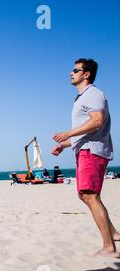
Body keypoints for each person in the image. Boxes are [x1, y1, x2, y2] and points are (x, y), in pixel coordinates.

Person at [52, 58, 119, 258]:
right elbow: (85, 130)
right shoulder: (81, 98)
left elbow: (97, 121)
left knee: (90, 195)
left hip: (92, 150)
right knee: (85, 195)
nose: (71, 73)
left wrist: (68, 134)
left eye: (76, 70)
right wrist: (65, 145)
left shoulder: (93, 94)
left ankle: (109, 247)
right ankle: (114, 233)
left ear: (86, 74)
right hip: (83, 149)